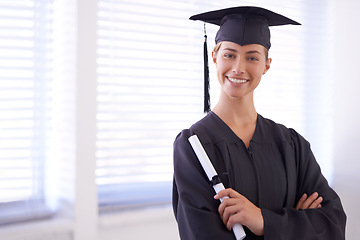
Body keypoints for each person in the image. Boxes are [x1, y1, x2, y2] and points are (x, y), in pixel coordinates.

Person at [172, 6, 346, 240]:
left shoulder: (292, 145)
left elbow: (332, 225)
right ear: (214, 56)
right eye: (229, 54)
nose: (238, 68)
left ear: (266, 64)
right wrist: (294, 224)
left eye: (252, 57)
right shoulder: (193, 146)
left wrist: (261, 220)